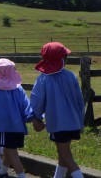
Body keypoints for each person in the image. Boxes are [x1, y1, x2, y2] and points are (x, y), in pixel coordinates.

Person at [30, 42, 85, 178]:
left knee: (66, 157)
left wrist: (36, 118)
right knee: (62, 155)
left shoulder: (43, 79)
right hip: (73, 122)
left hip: (58, 124)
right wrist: (80, 119)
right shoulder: (71, 76)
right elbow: (79, 100)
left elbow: (37, 101)